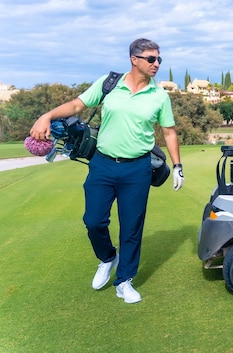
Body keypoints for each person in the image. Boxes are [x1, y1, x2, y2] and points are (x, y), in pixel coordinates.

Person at [30, 38, 184, 303]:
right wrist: (47, 116)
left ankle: (124, 281)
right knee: (94, 221)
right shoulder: (109, 83)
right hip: (102, 164)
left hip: (138, 168)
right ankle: (107, 257)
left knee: (132, 228)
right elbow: (77, 105)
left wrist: (178, 166)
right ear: (134, 59)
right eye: (151, 58)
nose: (156, 64)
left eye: (159, 59)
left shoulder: (159, 96)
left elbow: (169, 132)